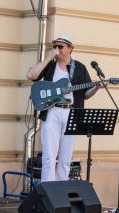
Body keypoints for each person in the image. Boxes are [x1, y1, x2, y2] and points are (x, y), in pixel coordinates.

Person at [24, 36, 99, 182]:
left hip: (71, 113)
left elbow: (86, 94)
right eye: (55, 47)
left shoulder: (80, 68)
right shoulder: (50, 65)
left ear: (70, 49)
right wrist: (47, 58)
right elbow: (30, 75)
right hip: (52, 112)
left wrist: (96, 87)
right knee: (49, 156)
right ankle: (48, 191)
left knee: (65, 158)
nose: (57, 50)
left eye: (60, 47)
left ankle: (61, 191)